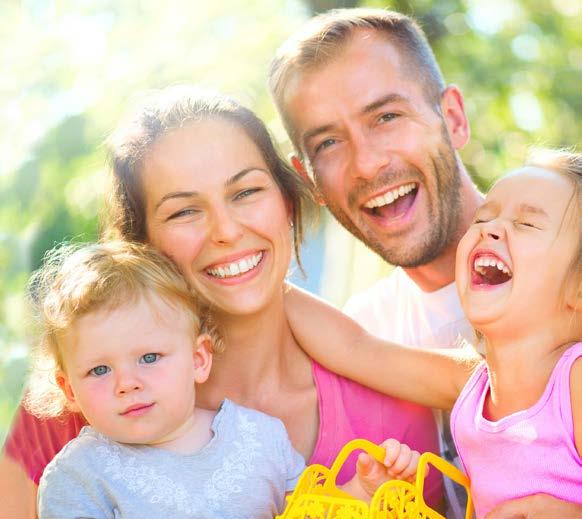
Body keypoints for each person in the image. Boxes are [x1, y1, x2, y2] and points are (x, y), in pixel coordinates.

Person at [0, 86, 442, 518]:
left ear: (287, 202)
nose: (226, 231)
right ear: (141, 246)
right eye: (183, 211)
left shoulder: (389, 422)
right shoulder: (76, 398)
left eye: (246, 192)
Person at [268, 7, 581, 517]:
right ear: (310, 182)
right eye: (329, 142)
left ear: (453, 118)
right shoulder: (370, 335)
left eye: (386, 117)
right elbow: (354, 348)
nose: (367, 162)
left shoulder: (564, 292)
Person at [284, 149, 582, 518]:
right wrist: (259, 279)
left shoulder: (573, 383)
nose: (489, 228)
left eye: (527, 224)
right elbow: (356, 349)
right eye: (483, 217)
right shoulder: (472, 382)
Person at [30, 240, 417, 518]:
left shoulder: (259, 437)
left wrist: (362, 492)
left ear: (198, 359)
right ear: (70, 390)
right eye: (99, 370)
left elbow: (308, 512)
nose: (126, 383)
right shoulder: (79, 476)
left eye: (149, 358)